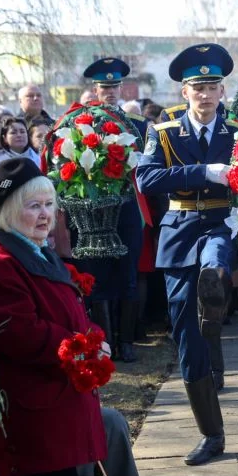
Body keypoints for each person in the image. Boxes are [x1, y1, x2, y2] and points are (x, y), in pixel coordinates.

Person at [0, 158, 107, 476]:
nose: (46, 215)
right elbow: (19, 333)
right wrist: (85, 349)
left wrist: (93, 338)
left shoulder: (31, 246)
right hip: (35, 410)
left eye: (49, 205)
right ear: (9, 210)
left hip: (57, 401)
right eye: (34, 206)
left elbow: (68, 308)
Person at [136, 43, 238, 465]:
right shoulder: (162, 133)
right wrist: (202, 172)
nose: (206, 94)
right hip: (179, 232)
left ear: (221, 92)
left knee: (214, 266)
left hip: (221, 223)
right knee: (186, 336)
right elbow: (146, 179)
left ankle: (214, 289)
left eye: (213, 86)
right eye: (198, 87)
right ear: (185, 93)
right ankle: (211, 434)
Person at [77, 57, 144, 363]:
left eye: (115, 85)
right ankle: (107, 343)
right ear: (96, 89)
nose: (111, 91)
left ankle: (126, 341)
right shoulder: (83, 125)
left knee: (128, 273)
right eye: (105, 86)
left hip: (128, 207)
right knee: (99, 276)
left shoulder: (139, 125)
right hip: (95, 211)